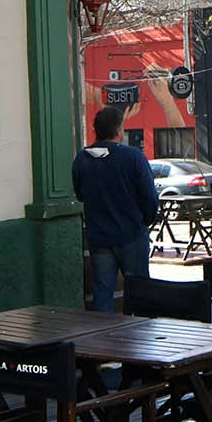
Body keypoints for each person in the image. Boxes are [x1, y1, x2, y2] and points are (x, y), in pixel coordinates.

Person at [72, 106, 158, 312]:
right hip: (131, 234)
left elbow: (80, 194)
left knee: (102, 293)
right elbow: (149, 197)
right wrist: (144, 221)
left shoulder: (82, 159)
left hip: (99, 236)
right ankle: (138, 335)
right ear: (119, 130)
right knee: (139, 292)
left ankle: (105, 337)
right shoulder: (133, 157)